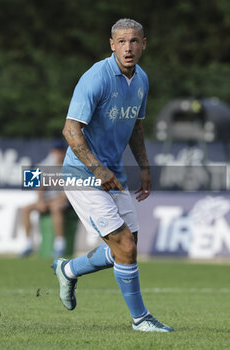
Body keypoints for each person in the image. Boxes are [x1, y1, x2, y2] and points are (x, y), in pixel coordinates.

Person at [51, 18, 174, 332]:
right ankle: (141, 319)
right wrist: (98, 169)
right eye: (121, 42)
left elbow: (135, 125)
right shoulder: (96, 77)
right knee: (125, 247)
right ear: (111, 44)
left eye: (133, 41)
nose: (127, 48)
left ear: (144, 43)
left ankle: (69, 270)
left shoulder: (141, 79)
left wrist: (144, 168)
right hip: (84, 174)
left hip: (114, 174)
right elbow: (70, 129)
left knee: (126, 247)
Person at [21, 141, 68, 257]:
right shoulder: (47, 165)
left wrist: (59, 199)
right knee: (25, 209)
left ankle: (59, 244)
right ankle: (28, 243)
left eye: (60, 151)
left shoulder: (69, 166)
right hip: (49, 199)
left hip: (64, 200)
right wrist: (40, 201)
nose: (58, 154)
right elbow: (40, 187)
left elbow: (71, 189)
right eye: (56, 151)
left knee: (55, 208)